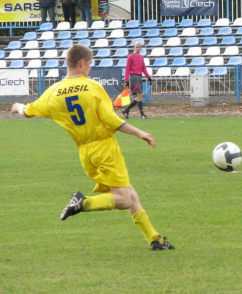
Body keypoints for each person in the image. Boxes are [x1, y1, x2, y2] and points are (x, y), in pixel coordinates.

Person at [10, 44, 173, 251]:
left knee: (129, 192)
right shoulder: (92, 86)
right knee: (123, 199)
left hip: (85, 153)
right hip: (104, 147)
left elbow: (27, 111)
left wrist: (16, 107)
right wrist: (140, 132)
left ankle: (154, 239)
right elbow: (110, 119)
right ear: (81, 63)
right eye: (89, 64)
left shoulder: (53, 93)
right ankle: (83, 203)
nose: (90, 68)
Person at [123, 42, 152, 119]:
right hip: (134, 77)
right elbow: (127, 69)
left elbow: (143, 68)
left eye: (139, 47)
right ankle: (142, 114)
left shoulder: (141, 57)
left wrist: (148, 76)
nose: (138, 48)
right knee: (139, 94)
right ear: (134, 48)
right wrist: (126, 80)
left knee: (139, 96)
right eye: (137, 47)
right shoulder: (130, 57)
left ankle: (126, 109)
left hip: (139, 77)